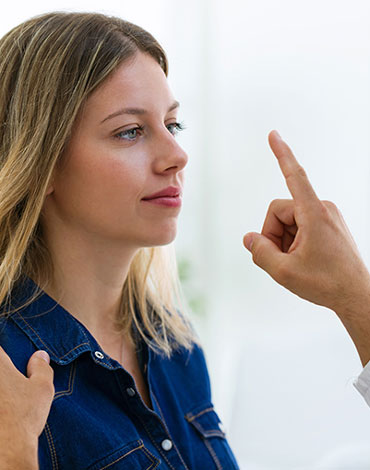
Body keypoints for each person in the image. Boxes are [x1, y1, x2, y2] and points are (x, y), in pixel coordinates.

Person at [1, 10, 370, 470]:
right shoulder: (8, 370)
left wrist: (356, 295)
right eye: (130, 132)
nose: (177, 155)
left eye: (172, 125)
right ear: (41, 162)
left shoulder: (172, 343)